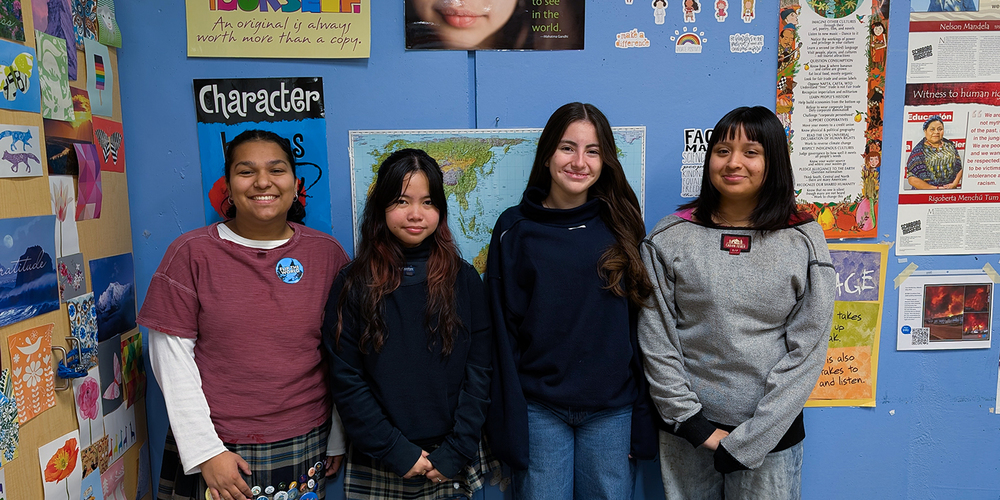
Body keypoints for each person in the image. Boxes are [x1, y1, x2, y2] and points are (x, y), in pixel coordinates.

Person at [138, 130, 350, 500]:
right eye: (246, 171)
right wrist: (206, 452)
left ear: (296, 182)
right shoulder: (191, 253)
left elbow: (341, 354)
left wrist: (337, 434)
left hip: (304, 438)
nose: (263, 182)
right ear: (229, 186)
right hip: (219, 445)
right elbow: (170, 358)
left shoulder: (327, 254)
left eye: (276, 170)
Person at [638, 106, 835, 499]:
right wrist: (693, 424)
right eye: (723, 150)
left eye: (751, 151)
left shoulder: (804, 239)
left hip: (771, 440)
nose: (734, 163)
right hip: (687, 434)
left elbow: (808, 350)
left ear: (773, 161)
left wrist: (752, 440)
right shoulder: (670, 236)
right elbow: (655, 337)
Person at [485, 102, 656, 500]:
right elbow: (501, 334)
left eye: (592, 151)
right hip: (539, 410)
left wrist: (644, 419)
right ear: (547, 155)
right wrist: (505, 422)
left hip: (613, 412)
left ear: (605, 160)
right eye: (567, 147)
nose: (579, 161)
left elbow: (643, 331)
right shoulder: (514, 229)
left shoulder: (622, 226)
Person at [323, 149, 496, 499]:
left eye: (428, 202)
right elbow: (346, 379)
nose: (416, 214)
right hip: (380, 457)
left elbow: (480, 372)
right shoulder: (353, 283)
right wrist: (395, 450)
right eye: (402, 201)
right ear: (381, 207)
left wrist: (456, 449)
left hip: (449, 458)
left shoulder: (463, 280)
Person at [906, 115, 963, 190]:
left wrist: (954, 183)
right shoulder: (918, 151)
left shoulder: (950, 145)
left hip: (949, 193)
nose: (936, 132)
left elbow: (960, 168)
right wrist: (935, 189)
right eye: (932, 129)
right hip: (926, 194)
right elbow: (912, 179)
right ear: (925, 131)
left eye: (940, 129)